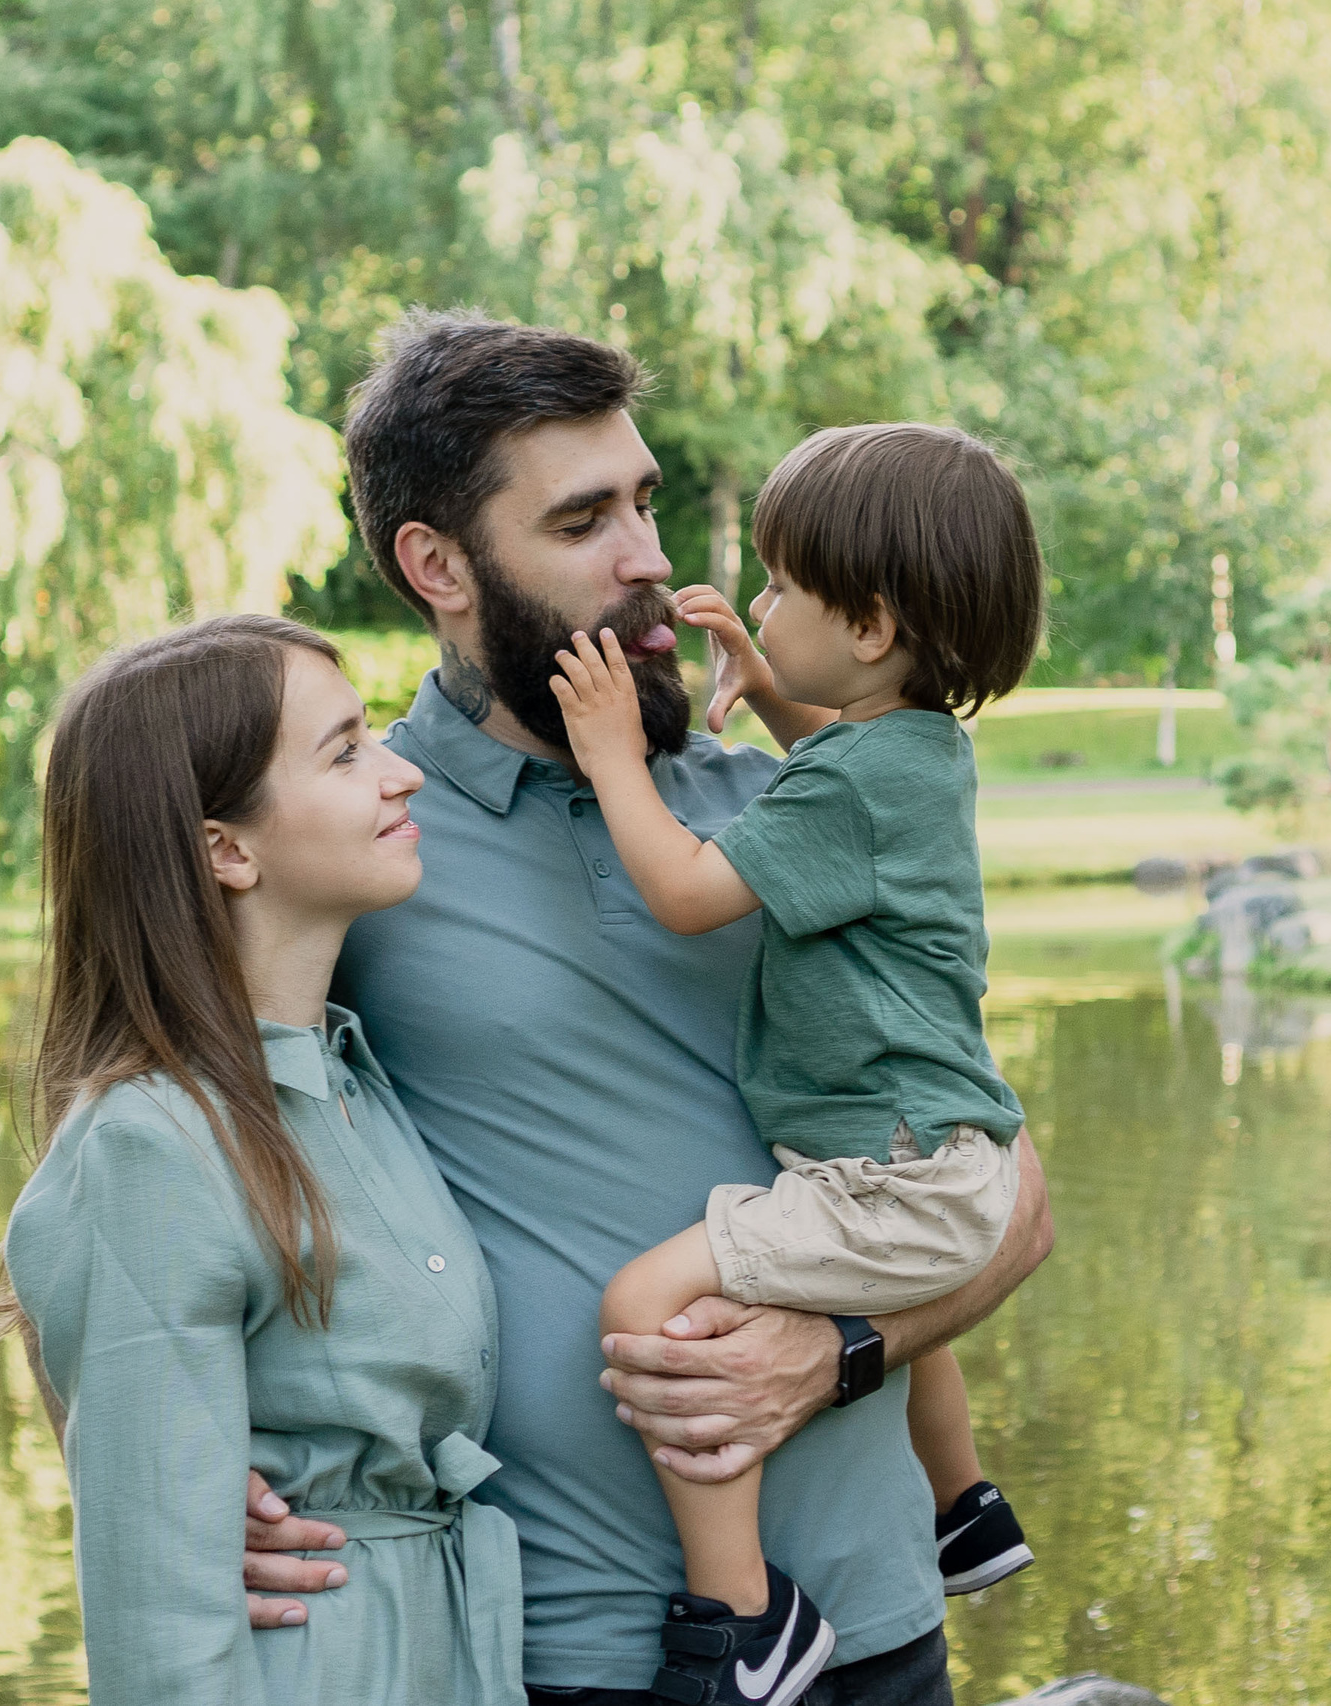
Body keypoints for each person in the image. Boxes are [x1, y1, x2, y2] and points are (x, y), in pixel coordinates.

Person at [294, 311, 1055, 1706]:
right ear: (437, 565)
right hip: (574, 1657)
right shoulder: (356, 842)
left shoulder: (786, 802)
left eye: (643, 502)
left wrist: (831, 1357)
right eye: (583, 520)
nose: (647, 556)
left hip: (882, 1628)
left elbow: (1005, 1189)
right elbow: (130, 1187)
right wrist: (197, 1482)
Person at [548, 423, 1045, 1706]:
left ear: (871, 625)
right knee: (896, 1300)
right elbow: (833, 747)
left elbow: (687, 891)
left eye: (780, 587)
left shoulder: (850, 785)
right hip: (941, 1155)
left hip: (887, 1170)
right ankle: (961, 1507)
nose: (756, 602)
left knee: (644, 1301)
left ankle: (745, 1617)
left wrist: (612, 753)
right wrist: (769, 679)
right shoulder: (913, 747)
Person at [0, 617, 525, 1705]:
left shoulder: (355, 1081)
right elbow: (160, 1641)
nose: (403, 773)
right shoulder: (150, 1143)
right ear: (227, 850)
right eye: (346, 752)